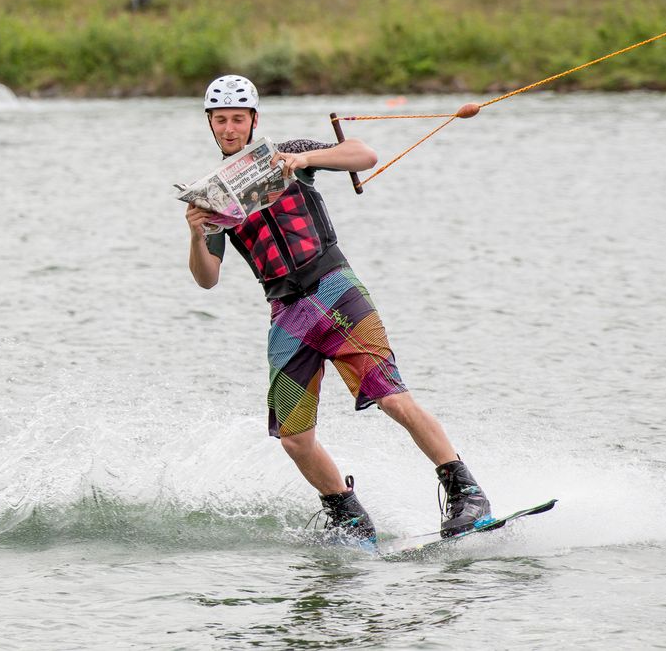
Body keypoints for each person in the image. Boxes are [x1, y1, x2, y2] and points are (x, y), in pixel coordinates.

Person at [185, 75, 492, 542]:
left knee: (390, 396)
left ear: (253, 121)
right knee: (293, 436)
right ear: (210, 124)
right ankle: (348, 516)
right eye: (221, 120)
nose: (230, 129)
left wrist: (301, 160)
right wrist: (195, 231)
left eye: (238, 119)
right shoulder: (211, 196)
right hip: (288, 316)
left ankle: (465, 491)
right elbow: (207, 279)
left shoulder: (288, 152)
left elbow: (364, 155)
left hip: (335, 291)